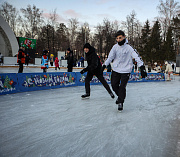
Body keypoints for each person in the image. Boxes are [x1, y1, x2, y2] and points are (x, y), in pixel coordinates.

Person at [102, 30, 147, 111]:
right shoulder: (115, 47)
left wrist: (142, 67)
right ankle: (120, 97)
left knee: (122, 87)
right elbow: (110, 57)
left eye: (120, 38)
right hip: (116, 69)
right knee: (114, 85)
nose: (119, 40)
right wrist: (104, 65)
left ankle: (120, 102)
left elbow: (137, 56)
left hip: (126, 70)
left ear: (124, 37)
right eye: (117, 38)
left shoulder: (129, 47)